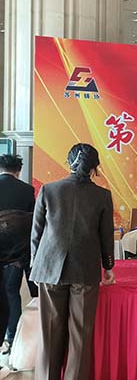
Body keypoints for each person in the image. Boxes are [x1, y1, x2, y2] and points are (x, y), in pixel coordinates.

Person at [30, 143, 116, 380]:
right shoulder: (102, 196)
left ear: (68, 162)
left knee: (50, 332)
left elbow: (36, 233)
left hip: (49, 268)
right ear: (95, 168)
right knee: (80, 334)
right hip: (85, 270)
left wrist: (36, 264)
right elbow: (106, 236)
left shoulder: (48, 190)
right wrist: (108, 267)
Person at [0, 154, 36, 357]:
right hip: (18, 251)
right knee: (12, 293)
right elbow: (34, 223)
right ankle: (12, 339)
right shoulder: (27, 190)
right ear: (18, 171)